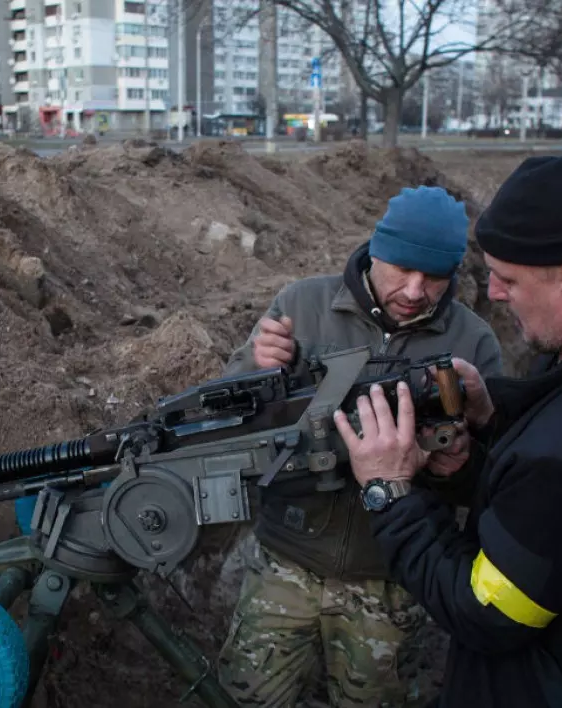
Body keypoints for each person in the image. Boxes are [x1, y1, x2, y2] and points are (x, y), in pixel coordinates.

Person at [334, 149, 562, 707]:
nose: (492, 294)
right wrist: (495, 411)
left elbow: (484, 612)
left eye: (506, 280)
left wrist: (390, 490)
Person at [216, 185, 504, 707]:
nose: (415, 291)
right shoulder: (302, 305)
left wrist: (453, 466)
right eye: (401, 270)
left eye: (434, 277)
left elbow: (492, 479)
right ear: (375, 250)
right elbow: (229, 415)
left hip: (392, 585)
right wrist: (255, 368)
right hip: (286, 564)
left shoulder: (474, 342)